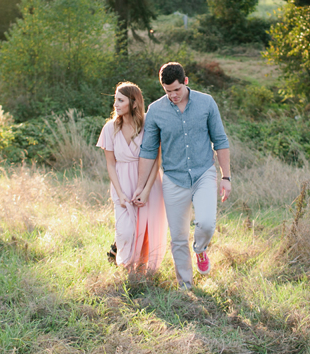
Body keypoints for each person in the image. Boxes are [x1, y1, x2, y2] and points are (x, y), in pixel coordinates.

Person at [133, 62, 231, 289]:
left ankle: (200, 250)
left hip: (203, 173)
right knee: (178, 237)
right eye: (168, 91)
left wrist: (226, 177)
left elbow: (221, 140)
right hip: (173, 179)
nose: (173, 95)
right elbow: (148, 150)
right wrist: (140, 186)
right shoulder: (156, 110)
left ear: (185, 82)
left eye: (176, 90)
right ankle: (186, 286)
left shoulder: (206, 102)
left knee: (206, 223)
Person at [96, 82, 167, 272]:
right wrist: (119, 192)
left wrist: (145, 190)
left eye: (120, 100)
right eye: (115, 100)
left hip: (149, 184)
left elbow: (156, 161)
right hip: (122, 182)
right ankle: (120, 252)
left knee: (145, 231)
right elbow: (111, 164)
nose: (115, 105)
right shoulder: (110, 128)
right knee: (126, 230)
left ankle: (139, 272)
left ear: (134, 103)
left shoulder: (148, 126)